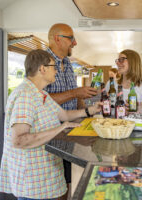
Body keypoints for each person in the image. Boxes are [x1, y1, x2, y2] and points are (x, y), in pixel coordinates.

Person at [0, 49, 101, 200]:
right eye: (54, 67)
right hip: (32, 182)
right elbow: (19, 140)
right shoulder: (25, 95)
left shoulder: (42, 94)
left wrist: (90, 110)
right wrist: (61, 127)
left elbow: (64, 115)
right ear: (42, 69)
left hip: (46, 175)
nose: (57, 71)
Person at [44, 23, 97, 198]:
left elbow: (76, 95)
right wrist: (75, 92)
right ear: (57, 38)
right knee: (53, 182)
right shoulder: (42, 61)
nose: (74, 43)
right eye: (71, 38)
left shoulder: (68, 62)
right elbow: (40, 99)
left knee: (68, 177)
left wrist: (87, 114)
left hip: (70, 128)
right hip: (50, 131)